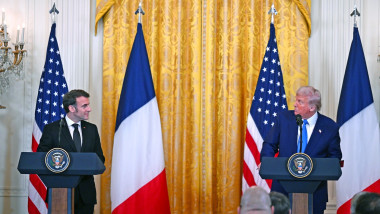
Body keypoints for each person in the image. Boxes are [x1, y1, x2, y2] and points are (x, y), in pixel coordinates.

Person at [260, 86, 342, 214]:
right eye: (296, 100)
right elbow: (269, 144)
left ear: (312, 107)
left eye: (300, 102)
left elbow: (334, 157)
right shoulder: (284, 119)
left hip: (314, 192)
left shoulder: (330, 127)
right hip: (281, 190)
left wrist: (325, 168)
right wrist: (266, 163)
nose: (295, 104)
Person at [37, 89, 105, 214]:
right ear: (72, 108)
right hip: (59, 192)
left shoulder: (91, 129)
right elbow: (41, 158)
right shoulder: (52, 129)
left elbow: (100, 158)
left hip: (86, 194)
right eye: (84, 106)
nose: (89, 109)